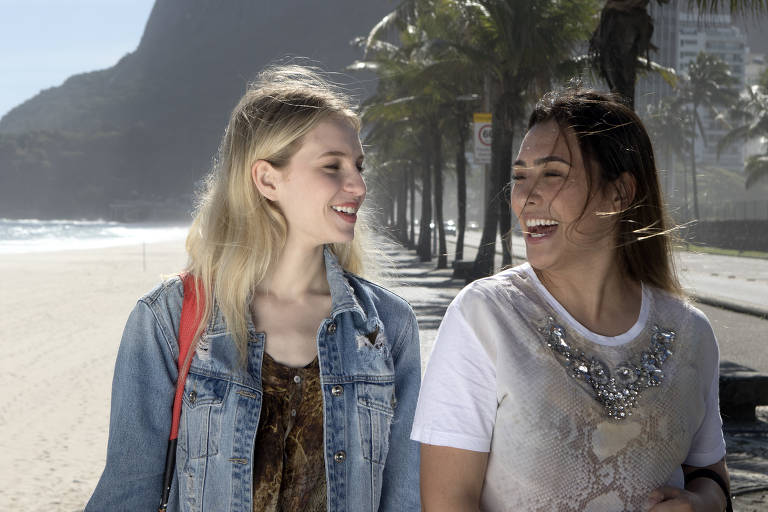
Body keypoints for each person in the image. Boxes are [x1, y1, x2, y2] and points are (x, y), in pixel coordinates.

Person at [86, 65, 421, 512]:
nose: (358, 185)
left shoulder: (388, 328)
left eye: (358, 166)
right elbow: (128, 494)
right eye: (332, 167)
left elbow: (405, 498)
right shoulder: (169, 319)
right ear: (266, 180)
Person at [411, 88, 730, 512]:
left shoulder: (691, 333)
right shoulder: (485, 318)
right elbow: (447, 502)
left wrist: (699, 505)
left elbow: (711, 479)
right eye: (520, 176)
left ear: (620, 193)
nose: (526, 198)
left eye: (552, 174)